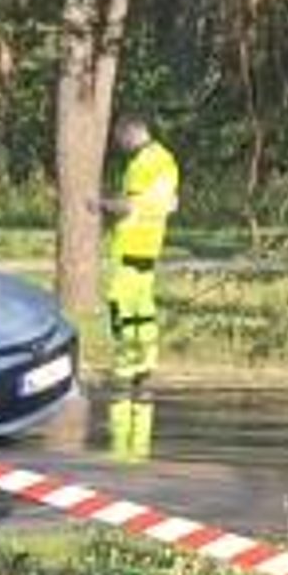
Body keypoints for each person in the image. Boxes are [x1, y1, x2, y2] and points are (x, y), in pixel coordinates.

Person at [96, 113, 179, 398]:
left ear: (129, 134)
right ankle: (145, 364)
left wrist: (101, 204)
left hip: (130, 243)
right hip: (151, 243)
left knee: (120, 306)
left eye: (119, 140)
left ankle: (125, 368)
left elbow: (129, 206)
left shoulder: (141, 164)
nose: (120, 146)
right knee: (143, 308)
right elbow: (172, 204)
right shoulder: (167, 160)